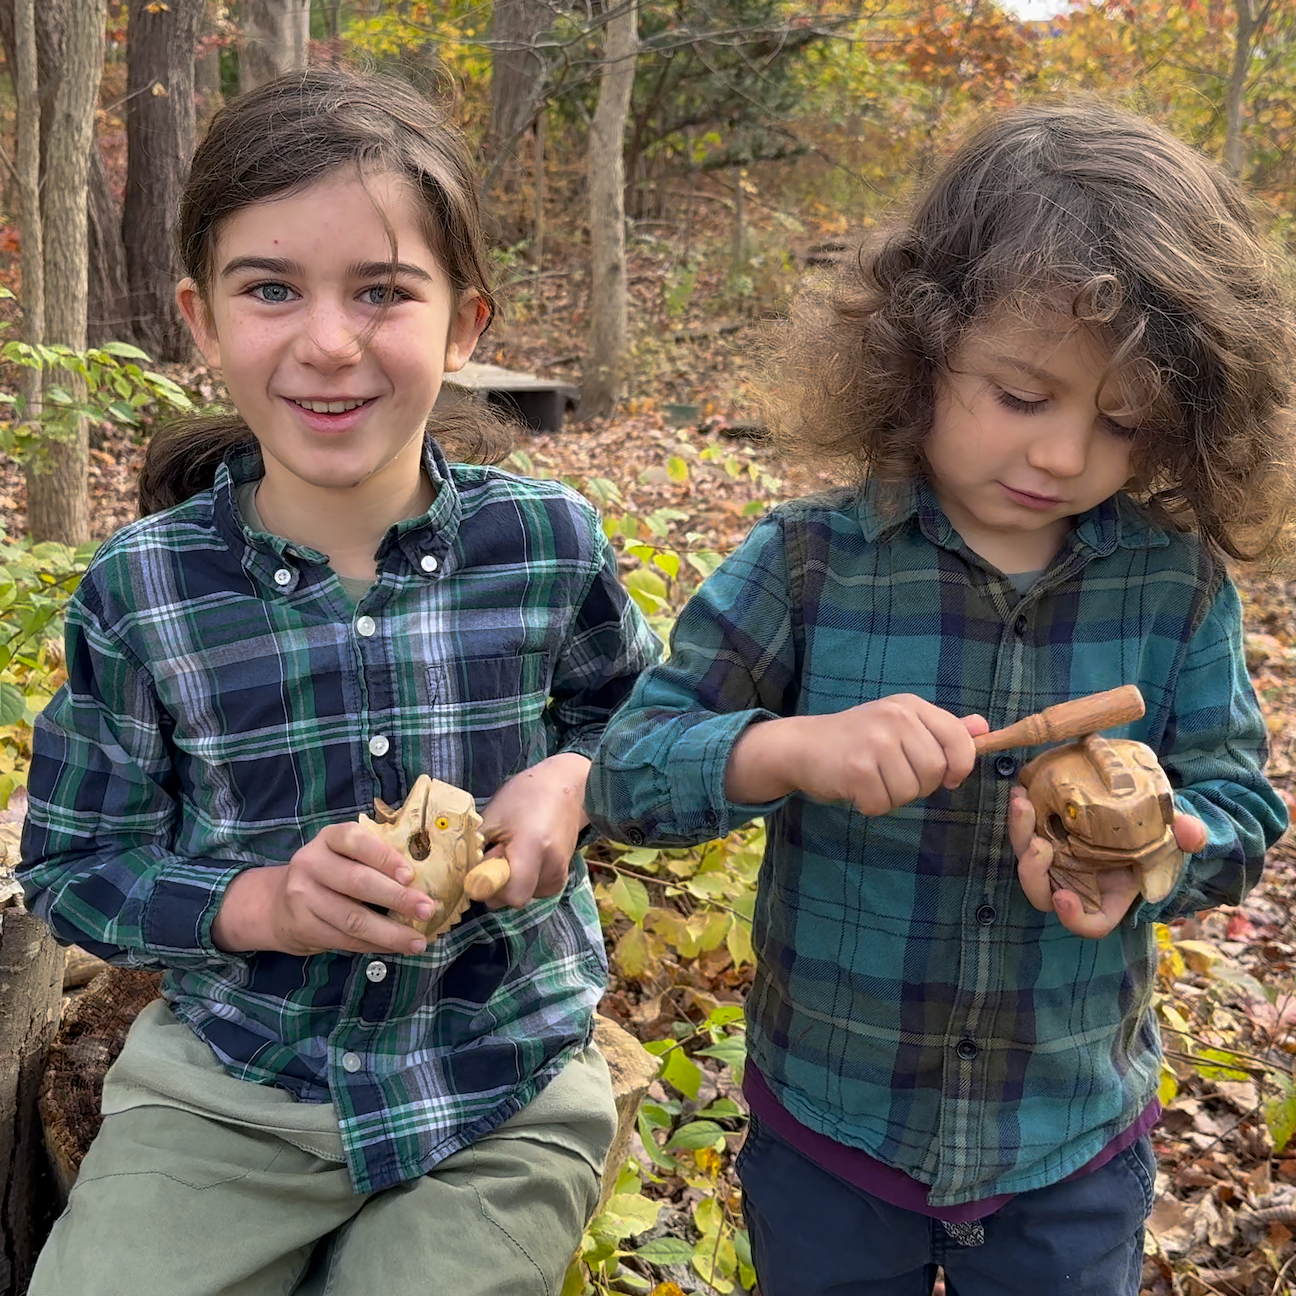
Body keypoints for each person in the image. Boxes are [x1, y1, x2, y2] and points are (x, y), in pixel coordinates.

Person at [584, 99, 1295, 1295]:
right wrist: (789, 750)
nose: (1062, 454)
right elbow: (628, 772)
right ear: (922, 349)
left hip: (1067, 1145)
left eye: (1120, 420)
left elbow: (1239, 808)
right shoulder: (810, 563)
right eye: (1021, 396)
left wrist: (1150, 863)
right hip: (834, 1137)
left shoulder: (1173, 590)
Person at [19, 68, 658, 1296]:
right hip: (232, 1088)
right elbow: (76, 866)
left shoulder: (546, 545)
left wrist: (576, 780)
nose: (327, 340)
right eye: (271, 289)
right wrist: (263, 903)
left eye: (382, 290)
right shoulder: (144, 590)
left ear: (465, 324)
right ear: (203, 320)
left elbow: (646, 728)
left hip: (500, 1080)